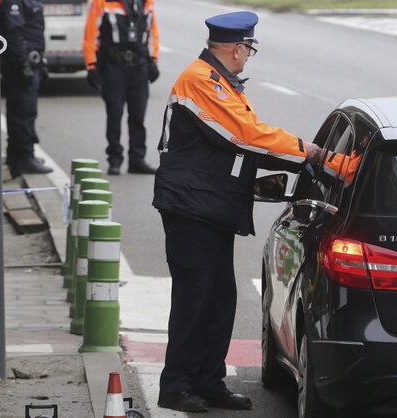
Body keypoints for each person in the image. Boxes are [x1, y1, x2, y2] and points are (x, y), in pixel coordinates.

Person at [151, 11, 324, 412]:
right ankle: (175, 385)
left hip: (209, 205)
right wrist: (307, 152)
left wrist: (291, 161)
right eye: (248, 48)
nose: (248, 55)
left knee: (218, 299)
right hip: (192, 207)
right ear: (235, 47)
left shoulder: (220, 80)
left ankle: (208, 381)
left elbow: (242, 141)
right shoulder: (200, 80)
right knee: (196, 299)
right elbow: (245, 137)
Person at [83, 0, 160, 175]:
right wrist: (91, 65)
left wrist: (153, 60)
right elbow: (90, 34)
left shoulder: (146, 2)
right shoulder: (102, 2)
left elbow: (152, 32)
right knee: (114, 114)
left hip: (139, 65)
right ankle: (115, 159)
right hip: (113, 66)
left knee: (138, 115)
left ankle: (137, 159)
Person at [0, 0, 53, 176]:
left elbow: (34, 31)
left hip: (30, 61)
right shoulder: (15, 2)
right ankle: (25, 158)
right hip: (20, 64)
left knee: (21, 110)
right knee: (23, 112)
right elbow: (14, 33)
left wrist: (41, 61)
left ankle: (15, 155)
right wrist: (23, 63)